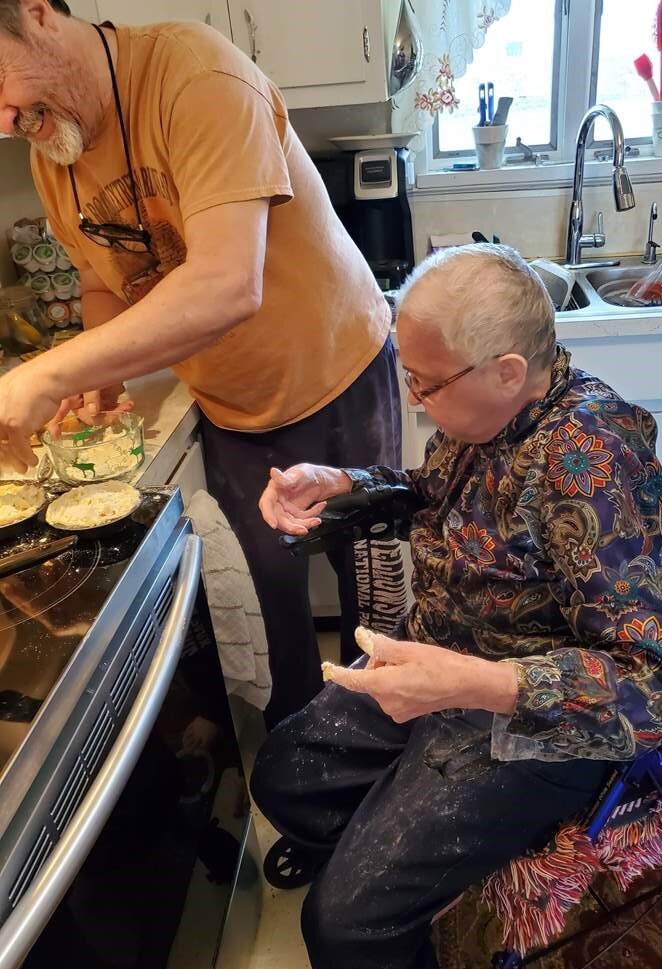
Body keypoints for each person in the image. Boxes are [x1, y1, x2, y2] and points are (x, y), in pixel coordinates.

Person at [252, 244, 662, 969]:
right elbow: (434, 490)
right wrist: (346, 483)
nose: (415, 401)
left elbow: (651, 685)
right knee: (286, 772)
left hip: (531, 721)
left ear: (507, 370)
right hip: (442, 667)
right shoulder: (485, 417)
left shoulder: (588, 464)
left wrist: (467, 684)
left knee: (342, 926)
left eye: (425, 383)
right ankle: (410, 871)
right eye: (407, 375)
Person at [0, 0, 400, 726]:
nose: (1, 119)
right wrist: (99, 373)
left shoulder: (195, 75)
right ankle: (304, 758)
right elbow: (100, 279)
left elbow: (226, 284)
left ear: (37, 15)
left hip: (336, 372)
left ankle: (382, 747)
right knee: (267, 595)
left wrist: (45, 373)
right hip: (232, 405)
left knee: (369, 588)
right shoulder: (52, 150)